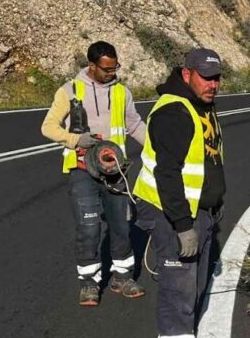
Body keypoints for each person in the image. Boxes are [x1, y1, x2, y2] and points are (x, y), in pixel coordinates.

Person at [41, 41, 147, 306]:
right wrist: (76, 140)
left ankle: (122, 276)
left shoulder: (122, 92)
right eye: (107, 69)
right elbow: (48, 127)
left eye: (115, 68)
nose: (112, 73)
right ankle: (89, 283)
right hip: (82, 171)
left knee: (121, 225)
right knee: (88, 227)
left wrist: (159, 149)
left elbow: (135, 125)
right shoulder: (70, 91)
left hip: (115, 172)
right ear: (92, 65)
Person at [133, 48, 226, 337]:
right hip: (174, 214)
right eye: (206, 77)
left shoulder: (201, 103)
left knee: (194, 289)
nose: (213, 84)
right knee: (178, 296)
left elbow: (206, 159)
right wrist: (183, 226)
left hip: (199, 210)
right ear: (187, 74)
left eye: (217, 78)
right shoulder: (175, 111)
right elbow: (167, 174)